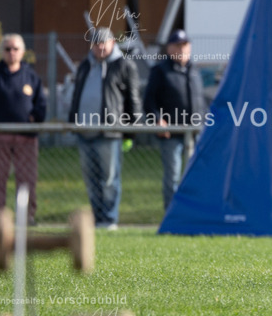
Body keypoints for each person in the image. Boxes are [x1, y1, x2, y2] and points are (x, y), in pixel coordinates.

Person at [68, 27, 142, 229]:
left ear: (112, 44)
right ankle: (97, 217)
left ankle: (109, 219)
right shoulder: (85, 65)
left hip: (109, 132)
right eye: (96, 43)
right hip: (85, 132)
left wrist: (131, 132)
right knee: (91, 179)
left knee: (109, 180)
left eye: (104, 43)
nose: (100, 47)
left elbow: (133, 100)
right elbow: (77, 94)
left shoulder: (124, 65)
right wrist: (72, 121)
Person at [0, 33, 46, 224]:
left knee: (27, 179)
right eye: (7, 49)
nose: (11, 52)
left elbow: (41, 104)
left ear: (22, 52)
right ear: (2, 52)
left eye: (15, 49)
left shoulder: (31, 76)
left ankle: (27, 217)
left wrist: (34, 118)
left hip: (26, 137)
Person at [143, 29, 206, 210]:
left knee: (195, 176)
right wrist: (158, 119)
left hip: (195, 133)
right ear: (169, 48)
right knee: (173, 176)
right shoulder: (160, 71)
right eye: (177, 46)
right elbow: (149, 101)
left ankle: (193, 213)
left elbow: (200, 100)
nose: (181, 50)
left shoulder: (194, 71)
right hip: (172, 134)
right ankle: (172, 213)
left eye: (185, 46)